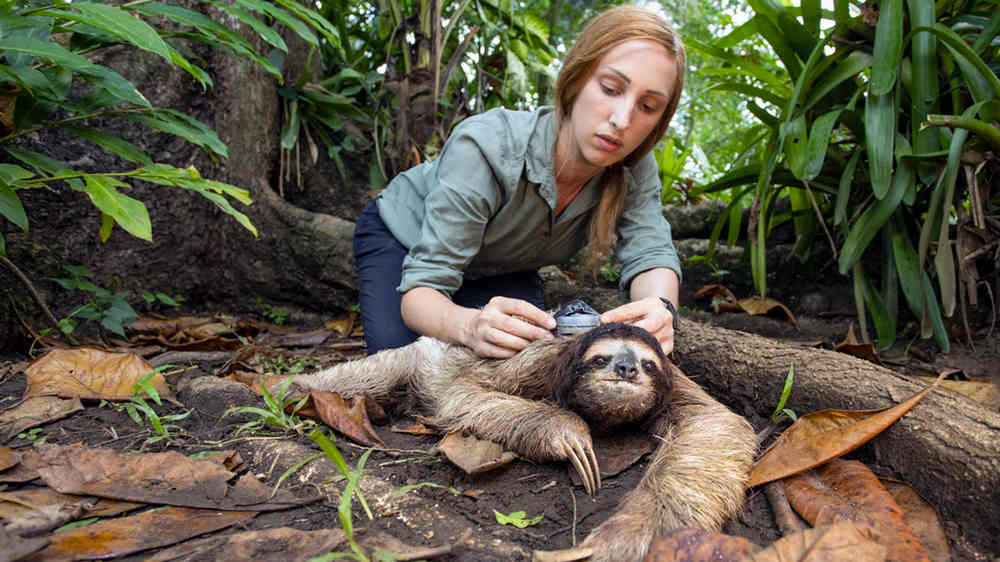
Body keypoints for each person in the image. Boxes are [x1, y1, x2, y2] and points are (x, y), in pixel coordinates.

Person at [353, 4, 684, 359]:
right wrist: (468, 326)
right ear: (576, 79)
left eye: (648, 106)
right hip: (405, 239)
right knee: (405, 365)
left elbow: (651, 253)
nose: (622, 119)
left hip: (501, 264)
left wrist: (660, 310)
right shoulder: (486, 145)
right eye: (610, 88)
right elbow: (422, 292)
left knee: (532, 362)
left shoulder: (634, 167)